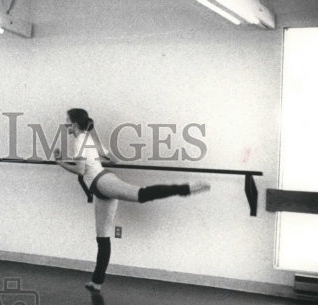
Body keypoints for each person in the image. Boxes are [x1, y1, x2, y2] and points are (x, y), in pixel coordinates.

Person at [52, 108, 210, 292]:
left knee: (140, 194)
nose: (65, 124)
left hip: (101, 182)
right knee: (102, 237)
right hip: (100, 185)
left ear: (75, 124)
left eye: (67, 121)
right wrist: (97, 160)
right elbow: (114, 160)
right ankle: (96, 282)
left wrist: (60, 162)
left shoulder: (79, 141)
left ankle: (186, 189)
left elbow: (80, 170)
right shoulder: (90, 139)